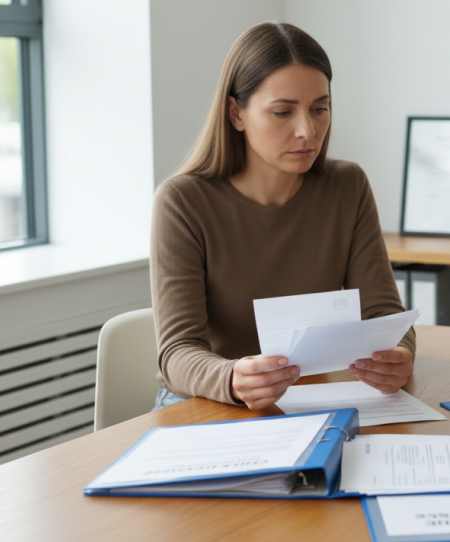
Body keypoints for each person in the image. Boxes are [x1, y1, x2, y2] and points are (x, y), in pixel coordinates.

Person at [150, 22, 415, 411]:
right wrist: (232, 377)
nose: (307, 131)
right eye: (282, 112)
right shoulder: (182, 202)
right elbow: (176, 352)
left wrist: (399, 356)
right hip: (205, 403)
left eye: (320, 109)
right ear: (235, 113)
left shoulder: (347, 186)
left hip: (312, 396)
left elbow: (384, 314)